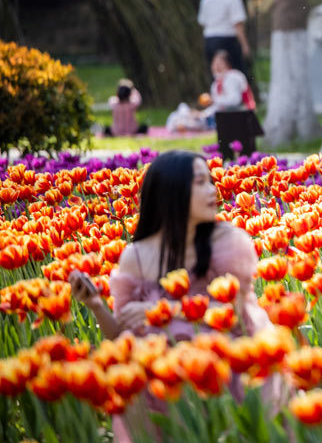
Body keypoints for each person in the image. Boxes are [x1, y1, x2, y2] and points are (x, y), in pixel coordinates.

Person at [68, 151, 273, 441]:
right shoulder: (135, 258)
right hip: (162, 388)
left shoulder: (228, 242)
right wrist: (96, 306)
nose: (212, 190)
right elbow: (119, 338)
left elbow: (239, 313)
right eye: (200, 182)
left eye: (210, 181)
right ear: (172, 193)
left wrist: (163, 310)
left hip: (225, 371)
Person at [198, 0, 251, 77]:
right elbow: (238, 24)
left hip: (210, 41)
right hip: (227, 41)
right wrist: (244, 45)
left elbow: (203, 22)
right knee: (236, 75)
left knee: (217, 75)